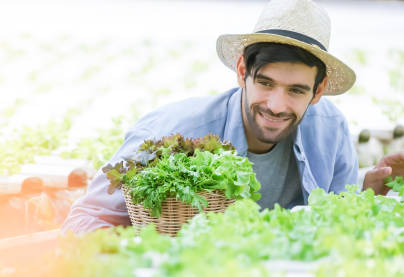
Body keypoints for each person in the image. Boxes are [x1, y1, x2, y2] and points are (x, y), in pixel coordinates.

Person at [62, 0, 404, 234]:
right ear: (243, 70)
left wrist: (365, 195)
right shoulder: (174, 130)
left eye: (296, 90)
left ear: (318, 90)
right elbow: (83, 220)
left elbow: (330, 228)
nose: (275, 104)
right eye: (265, 83)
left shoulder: (330, 131)